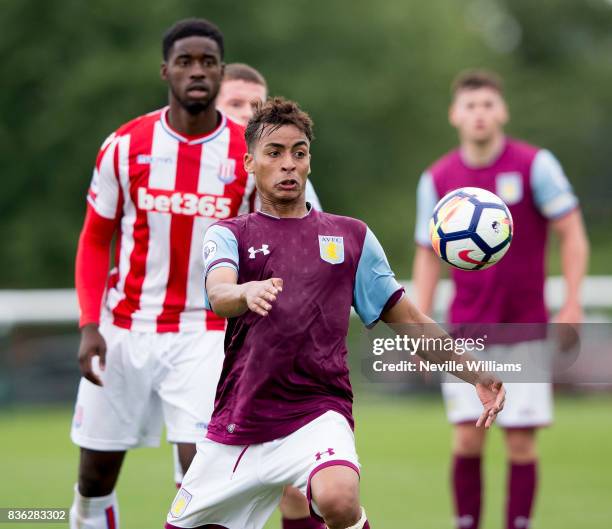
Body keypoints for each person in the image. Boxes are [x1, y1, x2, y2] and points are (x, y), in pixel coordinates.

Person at [165, 97, 506, 529]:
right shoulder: (230, 233)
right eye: (274, 153)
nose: (289, 163)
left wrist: (476, 373)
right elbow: (219, 293)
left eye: (299, 152)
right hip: (240, 424)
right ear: (250, 163)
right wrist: (244, 291)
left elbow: (411, 321)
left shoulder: (350, 238)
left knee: (339, 500)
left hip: (317, 411)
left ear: (309, 162)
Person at [70, 18, 250, 529]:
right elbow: (94, 238)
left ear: (220, 74)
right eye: (185, 62)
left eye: (208, 62)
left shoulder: (245, 154)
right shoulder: (125, 146)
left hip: (207, 330)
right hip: (125, 327)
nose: (197, 71)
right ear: (165, 71)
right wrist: (89, 324)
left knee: (201, 473)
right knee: (95, 479)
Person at [412, 70, 589, 529]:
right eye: (470, 106)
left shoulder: (536, 165)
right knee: (467, 440)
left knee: (520, 443)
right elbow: (427, 257)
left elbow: (572, 233)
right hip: (464, 333)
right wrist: (419, 326)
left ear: (502, 111)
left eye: (488, 104)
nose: (479, 114)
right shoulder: (438, 178)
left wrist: (571, 304)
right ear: (455, 114)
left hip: (524, 326)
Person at [217, 62, 323, 212]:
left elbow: (309, 227)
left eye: (256, 107)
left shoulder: (285, 171)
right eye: (235, 104)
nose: (248, 114)